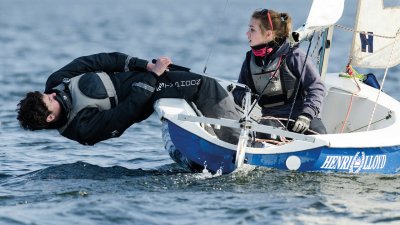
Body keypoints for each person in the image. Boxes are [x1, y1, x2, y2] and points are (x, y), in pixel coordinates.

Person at [16, 52, 241, 145]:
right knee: (204, 84)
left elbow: (100, 61)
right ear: (50, 118)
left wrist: (146, 66)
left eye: (47, 93)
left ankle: (241, 115)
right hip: (145, 93)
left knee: (201, 80)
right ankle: (234, 140)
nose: (53, 93)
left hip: (145, 75)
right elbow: (128, 112)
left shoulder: (56, 81)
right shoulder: (80, 128)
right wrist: (153, 77)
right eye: (50, 100)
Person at [232, 9, 327, 135]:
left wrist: (306, 115)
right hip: (270, 120)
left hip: (300, 118)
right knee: (266, 132)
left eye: (252, 30)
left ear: (268, 34)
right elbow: (239, 90)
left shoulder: (294, 56)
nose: (247, 34)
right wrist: (244, 98)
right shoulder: (250, 61)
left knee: (320, 135)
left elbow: (317, 88)